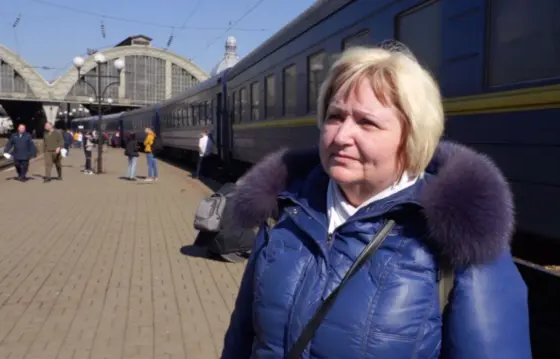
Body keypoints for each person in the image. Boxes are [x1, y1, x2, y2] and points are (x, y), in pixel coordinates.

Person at [221, 45, 532, 359]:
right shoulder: (283, 211)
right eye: (335, 117)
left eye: (366, 123)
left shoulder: (459, 241)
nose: (341, 136)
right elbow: (241, 337)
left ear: (412, 137)